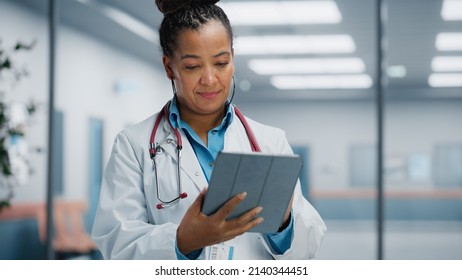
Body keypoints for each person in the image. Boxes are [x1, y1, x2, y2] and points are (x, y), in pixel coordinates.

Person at [91, 0, 326, 260]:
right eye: (193, 66)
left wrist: (284, 224)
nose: (210, 79)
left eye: (221, 63)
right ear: (170, 67)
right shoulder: (133, 145)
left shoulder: (270, 141)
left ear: (233, 60)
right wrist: (184, 241)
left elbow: (308, 248)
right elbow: (116, 244)